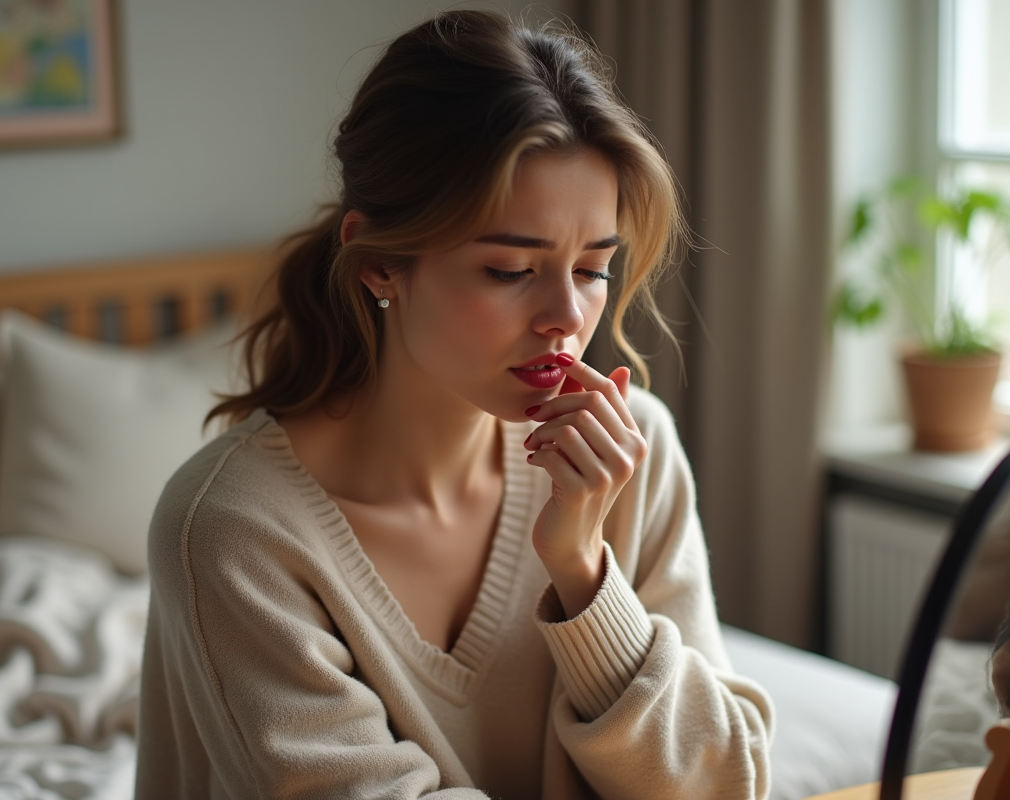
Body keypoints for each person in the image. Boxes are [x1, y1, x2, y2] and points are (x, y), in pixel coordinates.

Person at [136, 9, 773, 799]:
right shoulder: (231, 528)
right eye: (510, 270)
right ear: (379, 264)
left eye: (592, 269)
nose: (567, 317)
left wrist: (583, 574)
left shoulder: (629, 452)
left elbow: (724, 783)